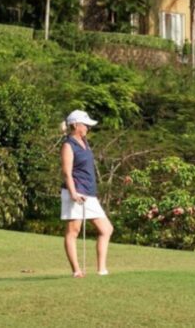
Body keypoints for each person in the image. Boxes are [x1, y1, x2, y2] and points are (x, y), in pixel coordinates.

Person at [60, 110, 113, 277]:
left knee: (106, 229)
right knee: (73, 231)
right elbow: (67, 172)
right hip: (76, 193)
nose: (88, 128)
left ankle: (102, 269)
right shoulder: (68, 145)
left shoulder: (84, 142)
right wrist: (73, 193)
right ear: (75, 125)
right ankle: (77, 270)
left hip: (89, 193)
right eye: (85, 124)